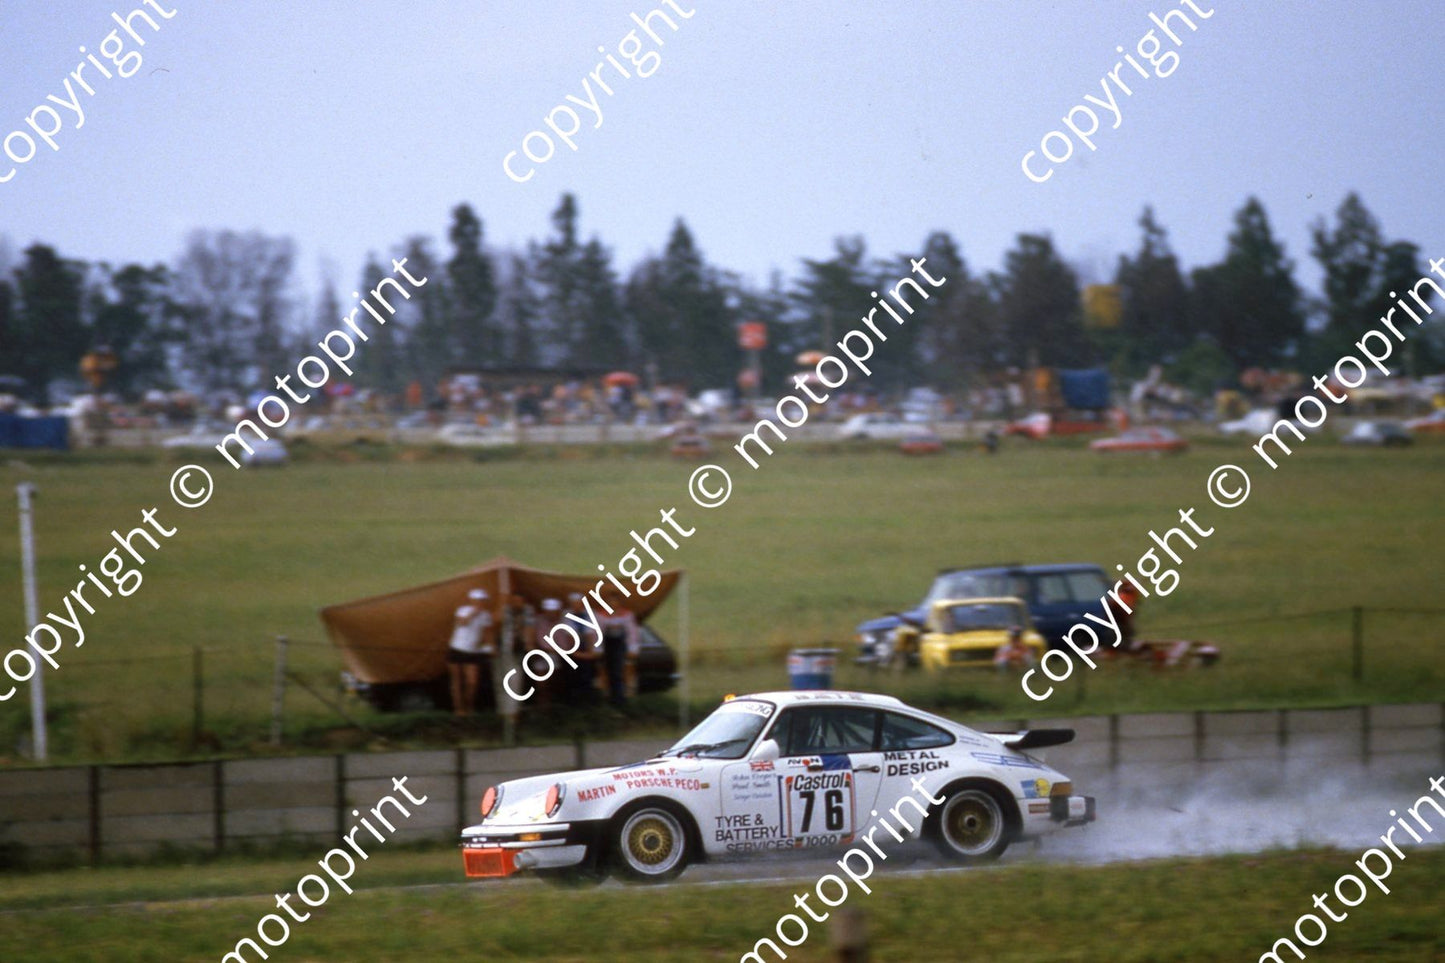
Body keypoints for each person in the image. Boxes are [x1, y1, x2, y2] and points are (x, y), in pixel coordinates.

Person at [446, 588, 491, 717]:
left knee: (472, 682)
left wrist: (487, 646)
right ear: (472, 600)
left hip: (473, 651)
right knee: (456, 680)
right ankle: (458, 709)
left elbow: (486, 632)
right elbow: (461, 623)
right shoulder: (462, 610)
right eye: (478, 600)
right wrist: (473, 613)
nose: (481, 603)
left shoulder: (486, 615)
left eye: (482, 601)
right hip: (456, 648)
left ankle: (469, 706)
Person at [597, 593, 639, 708]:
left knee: (618, 669)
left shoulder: (627, 614)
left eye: (614, 601)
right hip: (607, 644)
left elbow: (632, 632)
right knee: (607, 669)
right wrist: (598, 648)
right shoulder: (601, 615)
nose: (612, 604)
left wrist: (632, 647)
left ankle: (619, 697)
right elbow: (598, 631)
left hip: (620, 644)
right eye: (610, 601)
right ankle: (609, 695)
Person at [563, 591, 600, 703]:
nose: (576, 606)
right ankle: (573, 700)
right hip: (573, 647)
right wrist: (575, 653)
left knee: (587, 674)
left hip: (588, 647)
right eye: (573, 604)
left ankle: (587, 699)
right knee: (572, 675)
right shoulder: (566, 614)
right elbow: (569, 634)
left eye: (578, 603)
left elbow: (590, 634)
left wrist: (589, 652)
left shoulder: (590, 613)